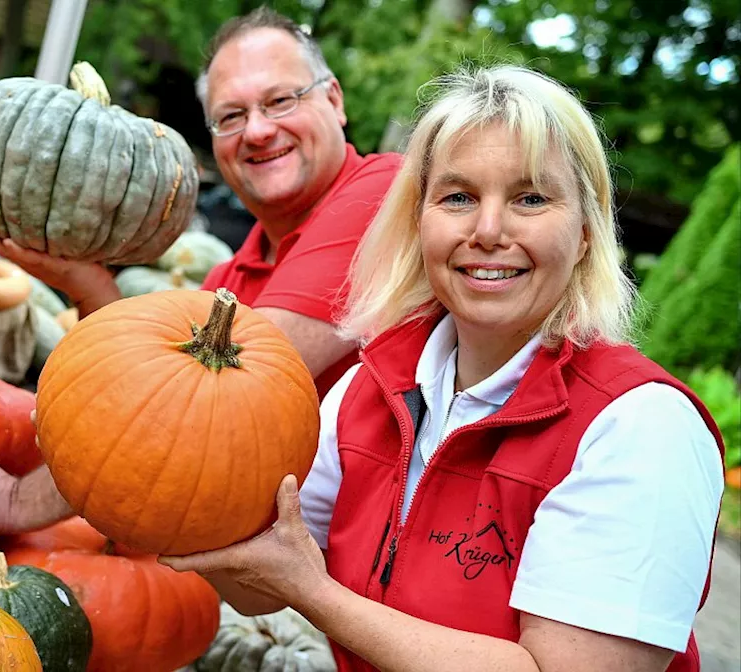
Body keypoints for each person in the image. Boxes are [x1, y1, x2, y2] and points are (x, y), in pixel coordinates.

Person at [159, 65, 726, 672]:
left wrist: (313, 591)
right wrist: (175, 490)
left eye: (530, 198)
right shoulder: (364, 388)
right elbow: (257, 581)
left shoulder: (640, 427)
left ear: (586, 233)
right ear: (418, 220)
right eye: (458, 197)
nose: (487, 231)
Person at [0, 7, 402, 533]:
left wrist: (18, 502)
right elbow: (158, 392)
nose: (258, 130)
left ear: (334, 100)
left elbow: (188, 411)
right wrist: (81, 279)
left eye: (280, 100)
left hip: (370, 573)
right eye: (231, 116)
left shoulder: (384, 197)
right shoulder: (229, 282)